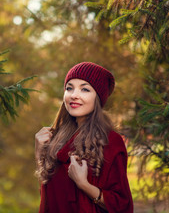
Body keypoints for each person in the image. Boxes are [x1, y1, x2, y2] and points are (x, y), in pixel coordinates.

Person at [35, 62, 133, 213]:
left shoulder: (110, 141)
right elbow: (48, 196)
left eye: (85, 89)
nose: (74, 95)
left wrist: (84, 185)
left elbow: (123, 206)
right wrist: (40, 154)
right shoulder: (56, 139)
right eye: (69, 88)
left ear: (98, 98)